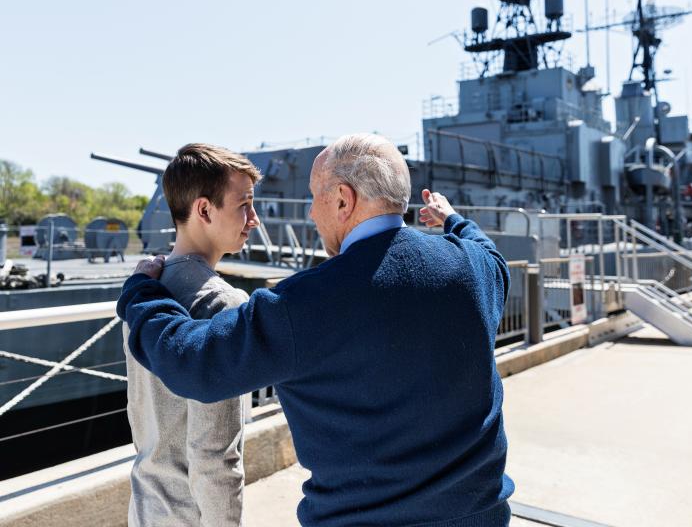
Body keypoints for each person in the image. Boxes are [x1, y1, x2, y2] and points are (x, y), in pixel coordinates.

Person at [119, 133, 515, 527]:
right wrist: (454, 221)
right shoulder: (474, 268)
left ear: (343, 200)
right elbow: (491, 254)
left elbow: (194, 364)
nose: (310, 212)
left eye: (315, 197)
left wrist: (141, 294)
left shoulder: (306, 304)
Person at [122, 143, 261, 527]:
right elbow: (216, 456)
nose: (255, 219)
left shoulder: (141, 290)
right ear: (204, 209)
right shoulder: (223, 305)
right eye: (244, 205)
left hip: (146, 508)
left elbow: (139, 413)